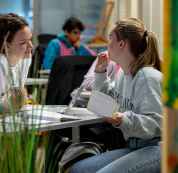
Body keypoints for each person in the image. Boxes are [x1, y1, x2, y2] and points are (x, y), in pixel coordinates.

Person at [70, 18, 163, 173]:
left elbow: (156, 123)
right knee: (78, 169)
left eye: (110, 38)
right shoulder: (122, 74)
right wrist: (100, 72)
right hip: (134, 147)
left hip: (155, 149)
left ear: (121, 44)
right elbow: (107, 100)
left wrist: (124, 119)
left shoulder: (147, 77)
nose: (108, 43)